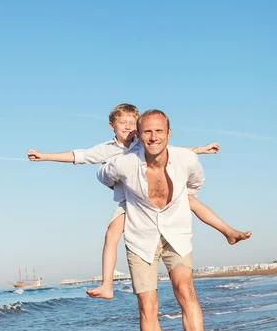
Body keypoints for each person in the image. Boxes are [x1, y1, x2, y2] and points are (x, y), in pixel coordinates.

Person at [28, 103, 250, 299]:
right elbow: (78, 156)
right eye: (121, 123)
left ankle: (228, 232)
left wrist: (200, 150)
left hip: (153, 197)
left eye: (132, 123)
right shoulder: (106, 149)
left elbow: (170, 150)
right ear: (111, 126)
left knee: (191, 201)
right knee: (111, 233)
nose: (127, 127)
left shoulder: (141, 142)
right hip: (130, 202)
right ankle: (107, 284)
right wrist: (45, 156)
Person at [97, 109, 223, 331]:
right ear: (139, 137)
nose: (154, 137)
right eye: (147, 132)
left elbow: (195, 184)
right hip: (140, 238)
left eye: (159, 131)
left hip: (175, 234)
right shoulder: (124, 163)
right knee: (148, 307)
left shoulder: (187, 159)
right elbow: (103, 175)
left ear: (169, 133)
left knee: (185, 290)